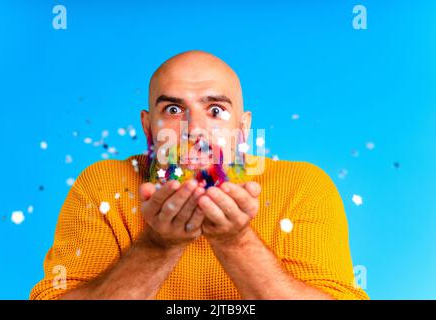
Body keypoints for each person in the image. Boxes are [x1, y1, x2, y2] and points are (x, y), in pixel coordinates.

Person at [30, 50, 369, 300]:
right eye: (174, 110)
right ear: (148, 128)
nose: (195, 129)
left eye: (216, 110)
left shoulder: (302, 186)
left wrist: (235, 241)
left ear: (243, 127)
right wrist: (159, 246)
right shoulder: (103, 186)